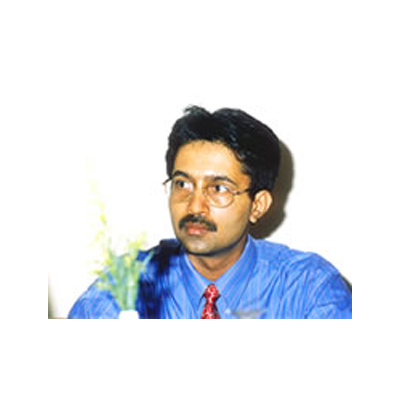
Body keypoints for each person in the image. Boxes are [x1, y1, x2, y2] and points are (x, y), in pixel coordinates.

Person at [68, 106, 352, 319]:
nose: (194, 206)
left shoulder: (308, 288)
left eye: (218, 188)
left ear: (258, 205)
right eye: (182, 184)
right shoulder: (124, 289)